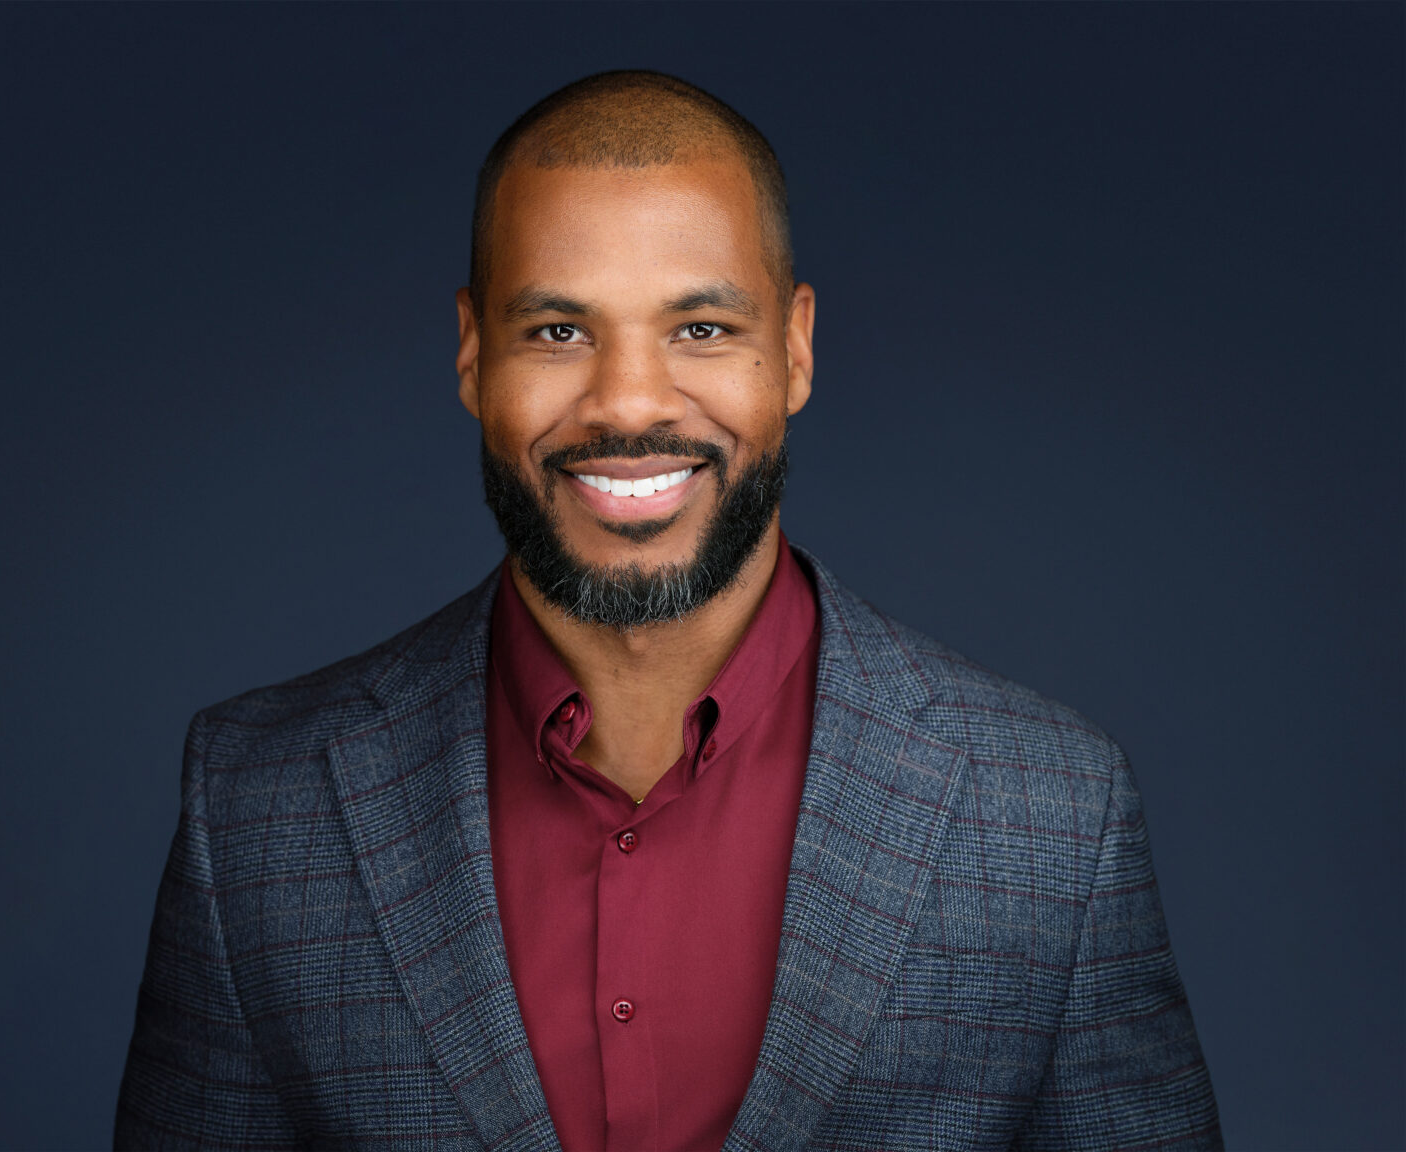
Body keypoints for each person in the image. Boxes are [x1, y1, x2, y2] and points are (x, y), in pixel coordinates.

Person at [116, 71, 1221, 1151]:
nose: (630, 402)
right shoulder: (258, 810)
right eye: (559, 331)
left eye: (699, 329)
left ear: (793, 349)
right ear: (470, 352)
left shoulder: (1053, 814)